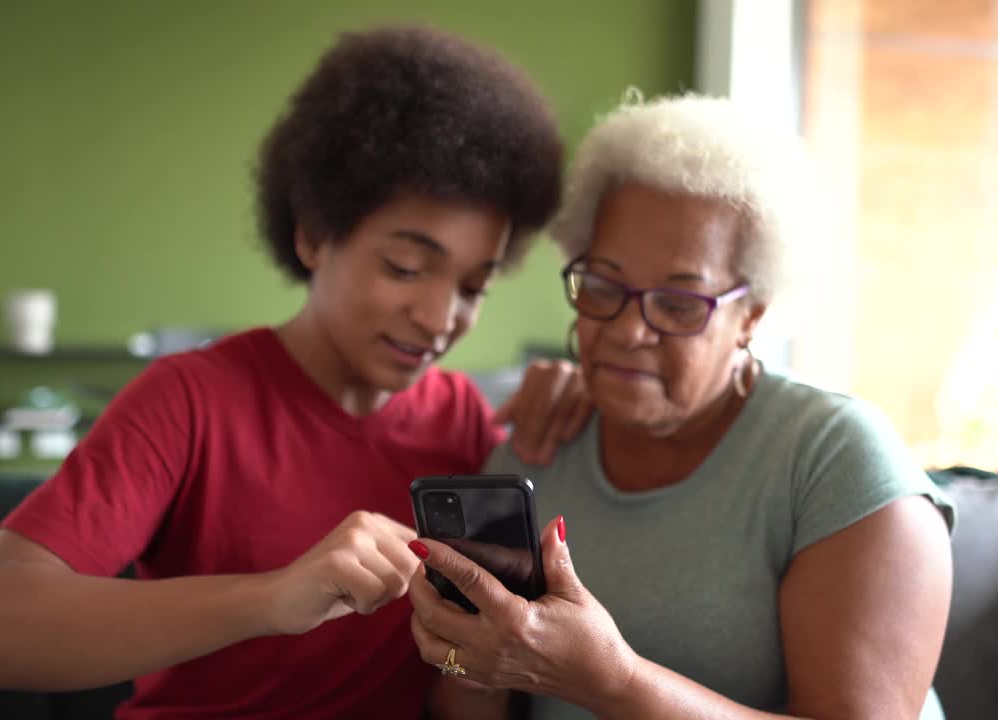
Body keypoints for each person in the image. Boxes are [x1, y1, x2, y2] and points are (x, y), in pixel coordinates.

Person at [0, 25, 588, 720]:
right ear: (312, 234)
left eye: (474, 286)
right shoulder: (188, 402)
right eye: (405, 268)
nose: (438, 317)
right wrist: (272, 597)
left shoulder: (464, 428)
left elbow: (462, 685)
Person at [407, 93, 956, 720]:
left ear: (752, 314)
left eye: (678, 304)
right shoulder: (536, 445)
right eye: (605, 287)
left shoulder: (835, 457)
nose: (627, 331)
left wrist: (611, 682)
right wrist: (474, 658)